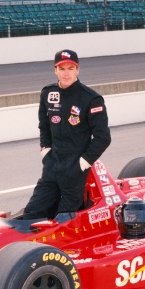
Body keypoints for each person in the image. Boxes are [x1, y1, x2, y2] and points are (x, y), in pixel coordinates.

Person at [22, 49, 111, 220]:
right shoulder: (48, 93)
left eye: (71, 68)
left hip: (75, 169)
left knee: (63, 220)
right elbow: (44, 126)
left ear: (78, 70)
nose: (66, 73)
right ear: (55, 70)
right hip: (51, 166)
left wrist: (82, 163)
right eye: (62, 68)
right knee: (31, 215)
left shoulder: (91, 99)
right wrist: (45, 151)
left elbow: (103, 138)